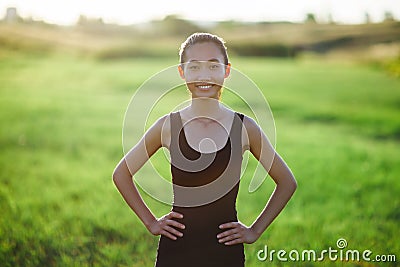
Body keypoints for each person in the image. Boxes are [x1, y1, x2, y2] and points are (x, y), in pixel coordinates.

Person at [112, 32, 297, 267]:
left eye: (213, 66)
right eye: (194, 67)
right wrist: (151, 222)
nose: (204, 75)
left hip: (225, 251)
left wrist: (254, 231)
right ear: (182, 72)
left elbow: (286, 182)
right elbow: (121, 174)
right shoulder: (168, 126)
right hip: (176, 248)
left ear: (227, 71)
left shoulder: (244, 128)